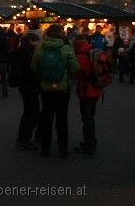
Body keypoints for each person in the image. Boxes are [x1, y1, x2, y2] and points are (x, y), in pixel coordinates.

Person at [31, 24, 79, 159]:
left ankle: (45, 149)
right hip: (63, 89)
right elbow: (75, 69)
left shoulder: (40, 49)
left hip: (46, 89)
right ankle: (63, 150)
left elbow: (34, 68)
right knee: (62, 119)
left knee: (47, 118)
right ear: (61, 34)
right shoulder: (66, 49)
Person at [9, 33, 42, 150]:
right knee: (34, 113)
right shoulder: (31, 54)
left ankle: (21, 138)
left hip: (23, 86)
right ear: (32, 41)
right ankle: (24, 140)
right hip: (31, 86)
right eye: (38, 41)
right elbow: (34, 71)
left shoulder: (18, 52)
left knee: (27, 112)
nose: (40, 43)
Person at [73, 35, 100, 154]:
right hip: (97, 88)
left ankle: (89, 143)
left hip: (85, 90)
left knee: (86, 117)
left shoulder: (81, 56)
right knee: (91, 116)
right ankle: (92, 139)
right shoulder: (95, 51)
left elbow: (76, 74)